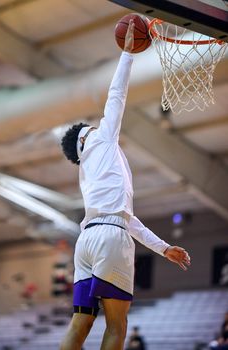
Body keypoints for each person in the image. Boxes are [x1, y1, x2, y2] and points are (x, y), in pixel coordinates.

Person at [60, 20, 191, 350]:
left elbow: (127, 219)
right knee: (117, 325)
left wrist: (163, 248)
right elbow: (117, 94)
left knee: (82, 321)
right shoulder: (101, 139)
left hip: (87, 240)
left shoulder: (88, 172)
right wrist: (128, 53)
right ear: (85, 136)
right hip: (109, 238)